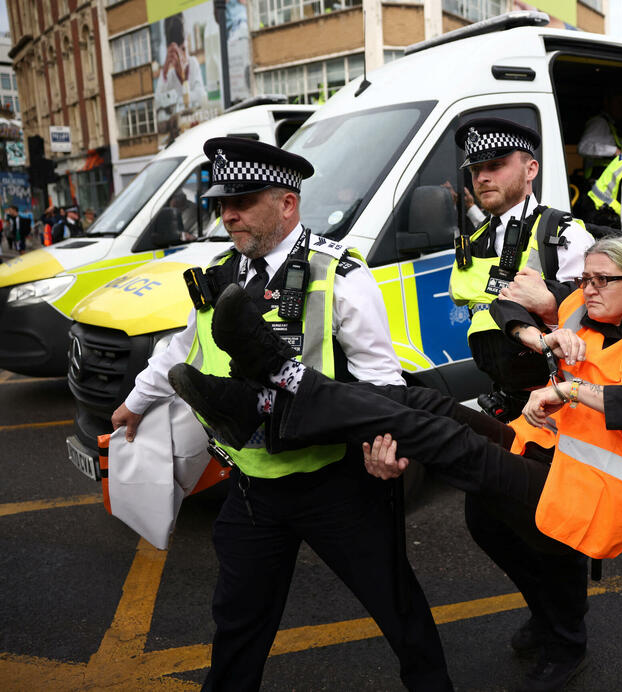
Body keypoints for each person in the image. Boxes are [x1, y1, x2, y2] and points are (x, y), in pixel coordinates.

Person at [167, 235, 622, 692]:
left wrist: (573, 388)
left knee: (444, 443)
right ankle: (271, 402)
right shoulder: (584, 303)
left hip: (590, 488)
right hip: (544, 449)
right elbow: (505, 305)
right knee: (422, 403)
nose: (587, 288)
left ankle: (279, 387)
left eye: (602, 280)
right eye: (585, 277)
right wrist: (537, 333)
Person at [110, 137, 452, 691]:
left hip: (337, 485)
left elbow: (380, 381)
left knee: (399, 609)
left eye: (243, 200)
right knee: (238, 625)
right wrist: (134, 402)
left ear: (287, 203)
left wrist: (389, 451)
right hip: (253, 489)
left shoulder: (339, 273)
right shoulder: (221, 273)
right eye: (223, 201)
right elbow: (178, 350)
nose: (228, 213)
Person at [449, 117, 594, 420]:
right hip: (505, 397)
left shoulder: (564, 235)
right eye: (475, 170)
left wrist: (552, 308)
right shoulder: (477, 241)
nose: (482, 178)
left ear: (531, 170)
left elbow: (598, 327)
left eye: (496, 166)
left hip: (560, 402)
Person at [154, 13, 208, 126]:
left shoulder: (193, 63)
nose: (180, 57)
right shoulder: (168, 74)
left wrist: (174, 100)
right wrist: (164, 71)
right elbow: (157, 104)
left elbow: (201, 96)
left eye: (183, 49)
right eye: (175, 52)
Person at [577, 90, 622, 180]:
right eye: (618, 102)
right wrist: (614, 151)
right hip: (597, 184)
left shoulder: (612, 126)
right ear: (607, 102)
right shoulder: (599, 122)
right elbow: (583, 147)